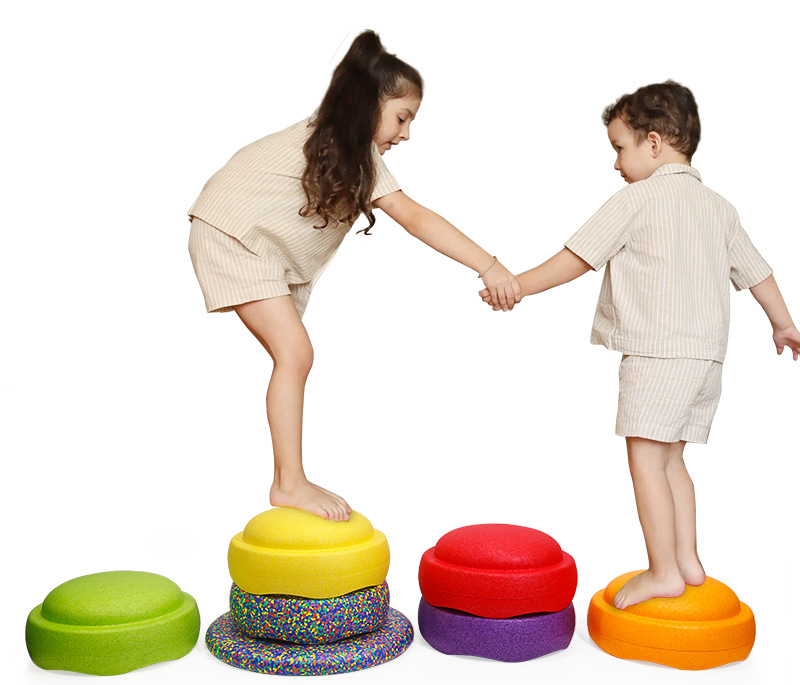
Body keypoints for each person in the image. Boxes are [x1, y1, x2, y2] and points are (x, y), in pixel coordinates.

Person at [481, 81, 799, 608]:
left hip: (657, 353)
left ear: (653, 143)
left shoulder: (636, 199)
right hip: (706, 358)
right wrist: (783, 324)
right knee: (673, 462)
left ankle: (662, 571)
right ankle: (688, 561)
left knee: (646, 462)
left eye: (619, 148)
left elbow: (576, 259)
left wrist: (516, 285)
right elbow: (757, 272)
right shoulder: (719, 207)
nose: (616, 163)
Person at [188, 30, 521, 522]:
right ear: (368, 104)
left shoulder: (337, 143)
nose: (405, 135)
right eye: (402, 118)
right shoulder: (349, 143)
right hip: (233, 234)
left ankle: (288, 479)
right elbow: (414, 217)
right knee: (295, 354)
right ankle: (289, 483)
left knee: (293, 355)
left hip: (241, 235)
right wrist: (488, 265)